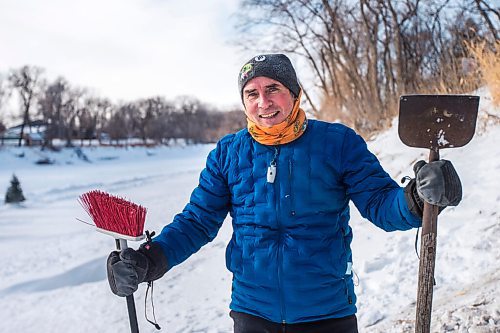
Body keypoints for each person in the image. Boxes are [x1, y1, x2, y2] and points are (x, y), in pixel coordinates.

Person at [107, 54, 462, 332]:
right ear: (244, 102)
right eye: (252, 93)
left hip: (326, 313)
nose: (263, 102)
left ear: (294, 94)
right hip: (252, 313)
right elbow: (197, 222)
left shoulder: (337, 143)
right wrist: (148, 260)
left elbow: (381, 204)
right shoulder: (228, 154)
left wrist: (417, 198)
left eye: (273, 88)